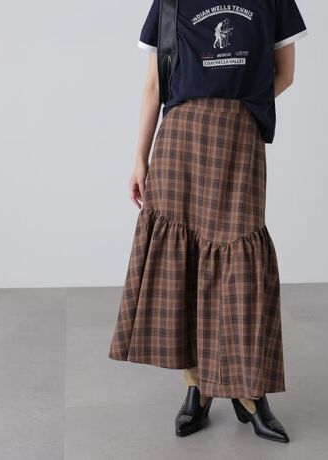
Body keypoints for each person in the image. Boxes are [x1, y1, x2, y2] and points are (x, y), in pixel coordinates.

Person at [109, 0, 307, 442]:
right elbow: (154, 85)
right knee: (183, 267)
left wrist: (241, 107)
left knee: (243, 269)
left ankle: (249, 393)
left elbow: (285, 74)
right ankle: (196, 388)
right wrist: (139, 158)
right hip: (179, 140)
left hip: (238, 137)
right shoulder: (170, 3)